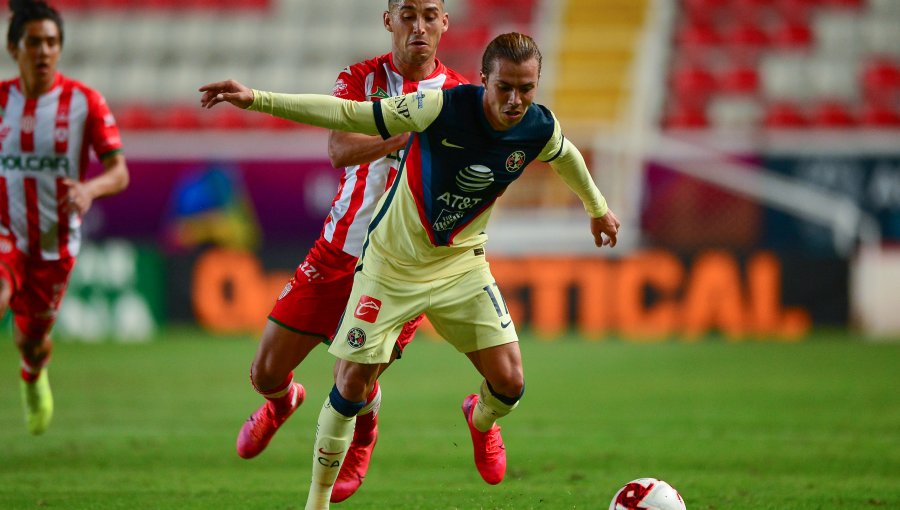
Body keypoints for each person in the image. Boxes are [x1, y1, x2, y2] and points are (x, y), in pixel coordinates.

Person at [199, 32, 620, 509]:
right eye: (505, 86)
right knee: (345, 381)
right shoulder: (435, 107)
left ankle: (481, 421)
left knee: (510, 384)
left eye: (527, 88)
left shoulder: (539, 127)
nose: (515, 100)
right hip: (391, 267)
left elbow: (566, 156)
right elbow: (347, 116)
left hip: (460, 267)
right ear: (484, 80)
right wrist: (256, 98)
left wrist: (597, 209)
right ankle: (315, 504)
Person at [225, 0, 467, 503]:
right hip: (339, 248)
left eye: (429, 14)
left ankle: (364, 428)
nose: (418, 25)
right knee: (264, 371)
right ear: (388, 21)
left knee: (352, 377)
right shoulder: (361, 77)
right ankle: (282, 401)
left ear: (445, 21)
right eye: (407, 14)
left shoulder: (461, 96)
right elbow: (339, 148)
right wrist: (405, 135)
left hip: (403, 264)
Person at [0, 0, 129, 435]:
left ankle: (32, 373)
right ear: (13, 48)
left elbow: (119, 172)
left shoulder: (84, 102)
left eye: (51, 42)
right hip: (5, 232)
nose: (43, 51)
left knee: (31, 341)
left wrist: (89, 189)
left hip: (54, 241)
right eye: (33, 42)